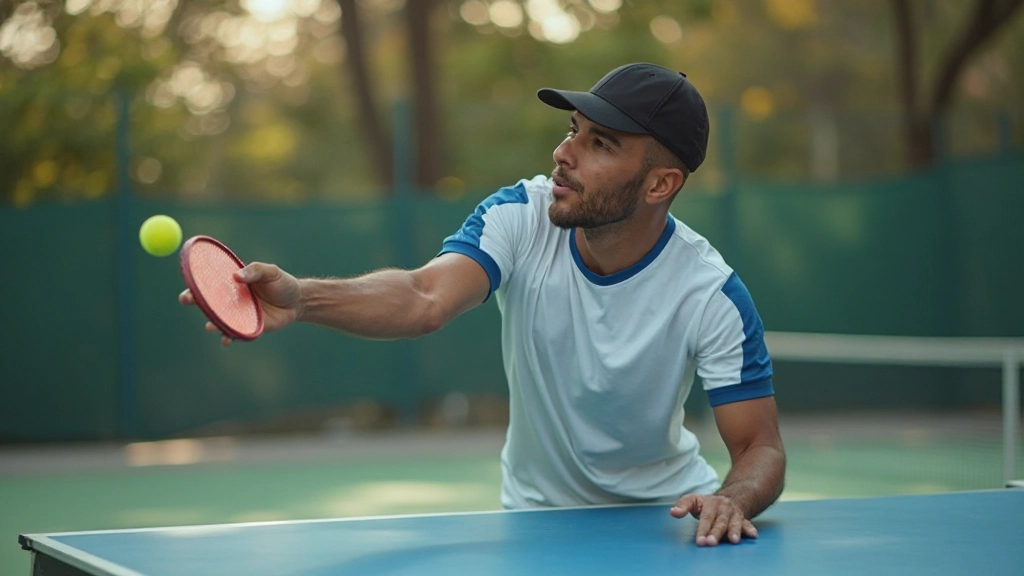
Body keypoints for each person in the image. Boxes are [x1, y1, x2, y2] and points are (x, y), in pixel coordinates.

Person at [180, 62, 786, 547]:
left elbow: (760, 448)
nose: (564, 153)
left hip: (667, 525)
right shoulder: (520, 215)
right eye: (572, 129)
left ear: (660, 184)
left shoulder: (710, 294)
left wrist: (732, 499)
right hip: (534, 524)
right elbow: (424, 298)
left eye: (599, 142)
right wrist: (302, 299)